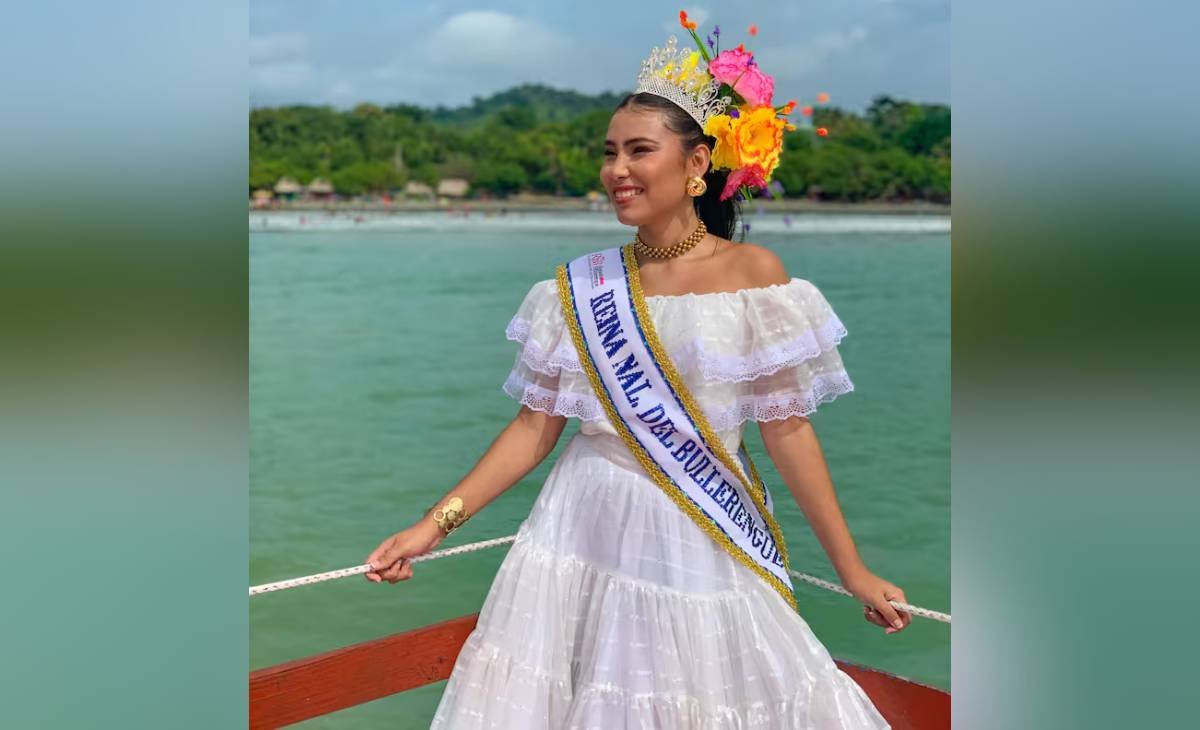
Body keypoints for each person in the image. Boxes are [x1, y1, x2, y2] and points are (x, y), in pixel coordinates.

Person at [366, 19, 909, 728]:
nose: (617, 170)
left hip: (697, 532)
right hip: (579, 528)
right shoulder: (578, 288)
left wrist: (851, 570)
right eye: (609, 152)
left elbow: (789, 433)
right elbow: (532, 430)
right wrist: (432, 526)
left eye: (639, 150)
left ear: (697, 162)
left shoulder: (755, 277)